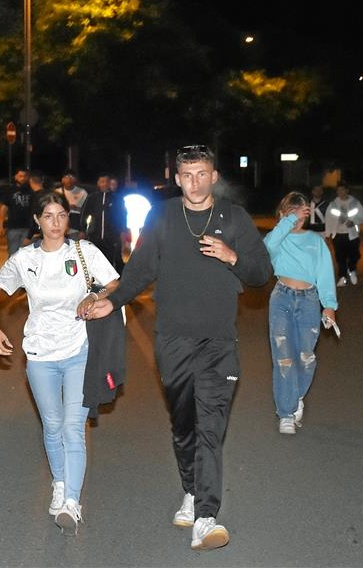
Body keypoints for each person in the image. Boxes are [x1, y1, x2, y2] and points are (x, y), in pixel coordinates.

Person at [81, 144, 271, 551]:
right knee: (184, 425)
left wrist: (232, 255)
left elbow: (261, 273)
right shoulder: (164, 216)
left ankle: (206, 515)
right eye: (187, 175)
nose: (195, 182)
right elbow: (140, 271)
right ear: (177, 177)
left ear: (214, 176)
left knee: (211, 426)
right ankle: (190, 488)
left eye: (202, 173)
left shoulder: (233, 218)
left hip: (219, 341)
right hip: (173, 339)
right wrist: (110, 301)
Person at [0, 192, 122, 534]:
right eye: (48, 216)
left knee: (72, 428)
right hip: (39, 354)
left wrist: (93, 294)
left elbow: (115, 284)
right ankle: (59, 484)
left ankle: (72, 503)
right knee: (52, 424)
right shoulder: (24, 258)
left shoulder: (83, 251)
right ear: (37, 220)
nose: (56, 222)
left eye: (61, 215)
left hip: (78, 349)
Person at [263, 192, 338, 434]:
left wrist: (329, 306)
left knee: (306, 358)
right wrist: (288, 221)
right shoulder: (278, 238)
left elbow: (325, 273)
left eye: (301, 213)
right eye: (292, 212)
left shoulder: (315, 240)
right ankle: (286, 412)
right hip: (282, 298)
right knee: (283, 358)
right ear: (283, 214)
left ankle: (295, 398)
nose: (297, 218)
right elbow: (267, 248)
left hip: (308, 300)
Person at [81, 173, 127, 273]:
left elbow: (122, 218)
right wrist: (83, 229)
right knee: (94, 262)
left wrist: (122, 234)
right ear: (98, 183)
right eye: (102, 181)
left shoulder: (117, 199)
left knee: (109, 263)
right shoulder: (92, 197)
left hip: (111, 238)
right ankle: (95, 285)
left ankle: (111, 285)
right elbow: (84, 213)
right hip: (94, 237)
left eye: (106, 181)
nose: (104, 184)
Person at [324, 183, 363, 286]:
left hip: (352, 234)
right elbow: (328, 219)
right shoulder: (333, 204)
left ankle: (352, 271)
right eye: (338, 190)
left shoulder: (355, 202)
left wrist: (354, 221)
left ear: (347, 190)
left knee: (353, 255)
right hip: (338, 234)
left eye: (342, 190)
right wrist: (328, 234)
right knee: (340, 257)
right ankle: (342, 277)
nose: (340, 192)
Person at [0, 168, 34, 256]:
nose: (23, 178)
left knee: (25, 255)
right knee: (13, 253)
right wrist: (1, 225)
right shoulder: (10, 191)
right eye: (20, 176)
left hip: (27, 228)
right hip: (13, 228)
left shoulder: (31, 191)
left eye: (25, 176)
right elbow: (4, 208)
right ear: (16, 177)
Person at [58, 171, 88, 236]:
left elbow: (88, 211)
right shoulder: (57, 192)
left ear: (75, 180)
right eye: (66, 177)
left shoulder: (83, 192)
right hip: (60, 225)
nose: (69, 180)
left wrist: (77, 208)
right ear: (62, 180)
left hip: (75, 225)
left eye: (72, 177)